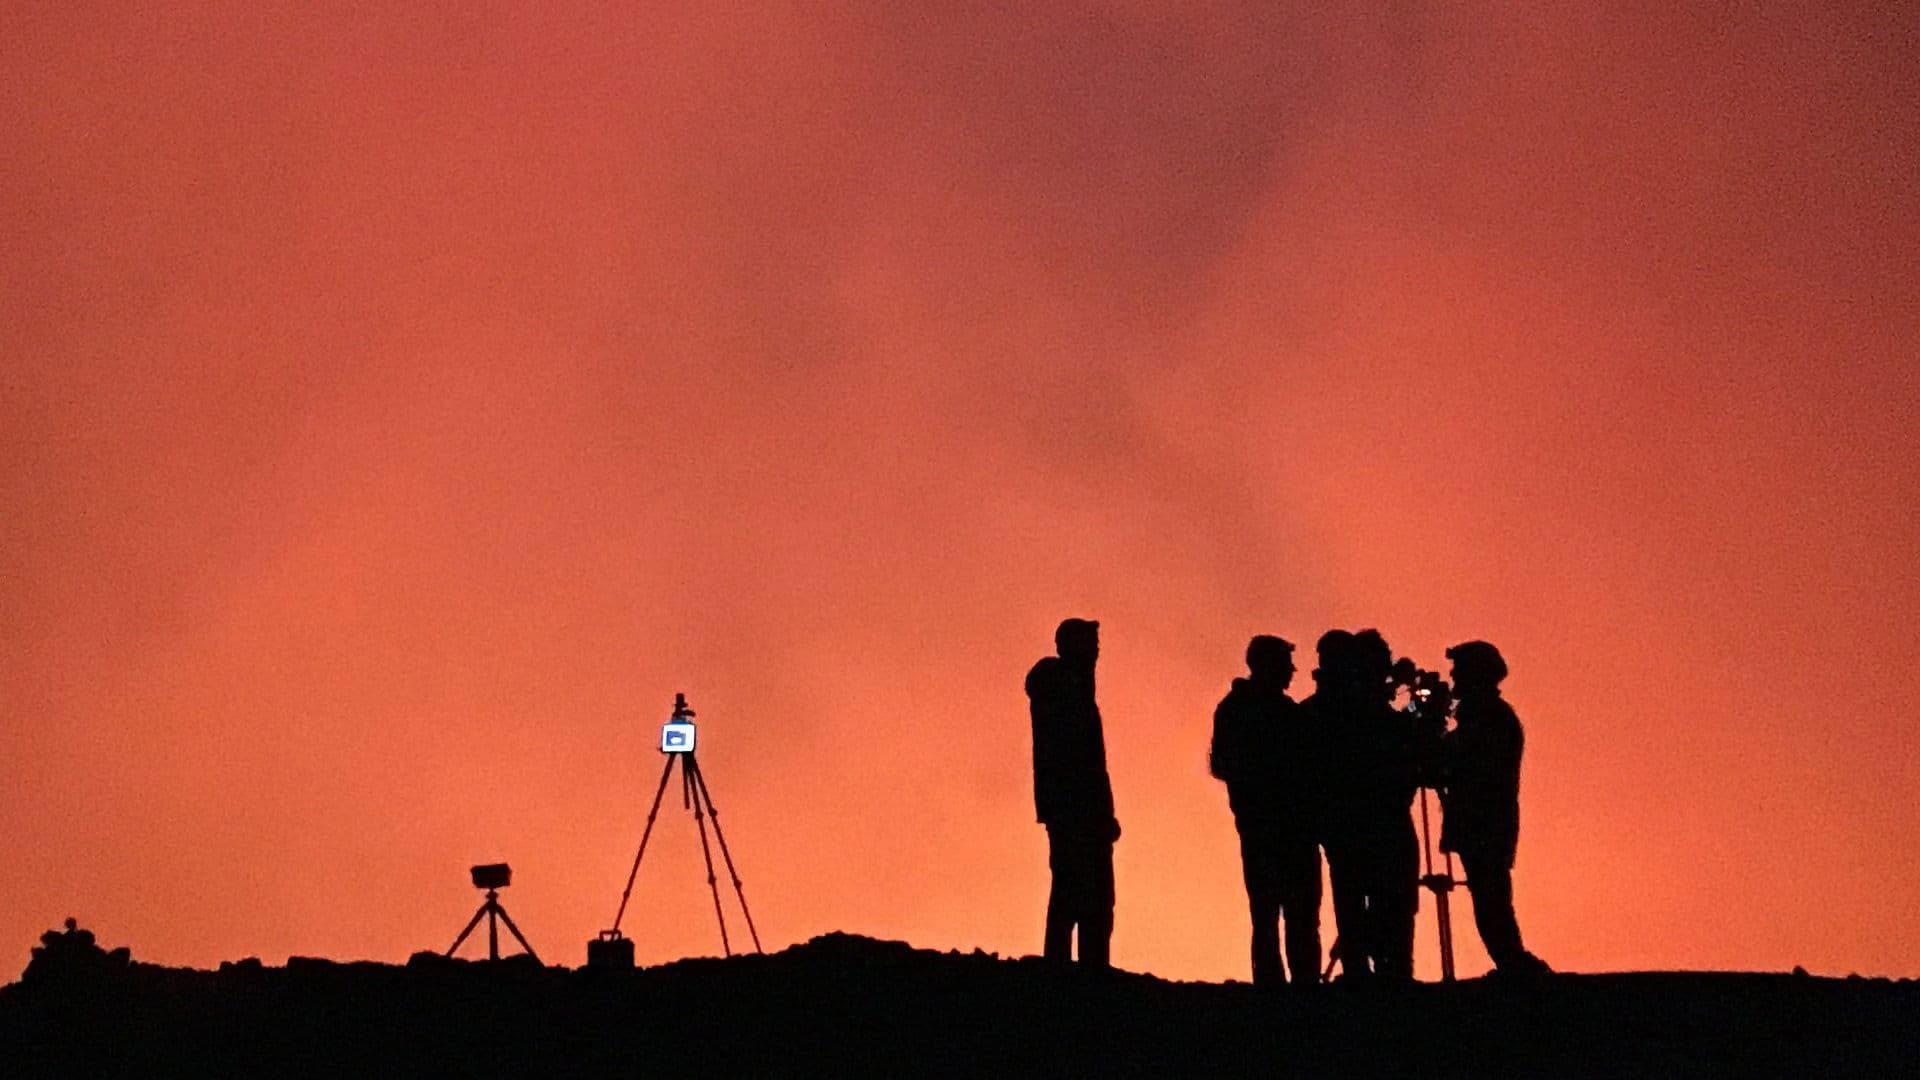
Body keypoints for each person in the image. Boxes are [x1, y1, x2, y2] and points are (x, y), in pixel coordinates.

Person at [1209, 635, 1320, 986]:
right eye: (1285, 664)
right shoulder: (1278, 713)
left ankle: (1279, 985)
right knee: (1287, 913)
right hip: (1279, 826)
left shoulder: (1239, 709)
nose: (1292, 671)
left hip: (1271, 825)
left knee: (1275, 912)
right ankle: (1296, 986)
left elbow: (1222, 764)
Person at [1439, 640, 1552, 976]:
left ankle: (1512, 961)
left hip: (1484, 823)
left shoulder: (1490, 718)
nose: (1454, 677)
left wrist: (1427, 724)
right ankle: (1510, 961)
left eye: (1460, 670)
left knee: (1490, 895)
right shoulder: (1486, 716)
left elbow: (1449, 759)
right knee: (1489, 894)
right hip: (1484, 822)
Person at [1027, 617, 1119, 968]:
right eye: (1090, 643)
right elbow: (1079, 762)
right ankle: (1070, 968)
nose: (1097, 651)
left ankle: (1084, 965)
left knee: (1089, 893)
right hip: (1074, 810)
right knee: (1077, 889)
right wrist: (1097, 812)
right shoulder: (1064, 690)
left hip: (1079, 810)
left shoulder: (1075, 691)